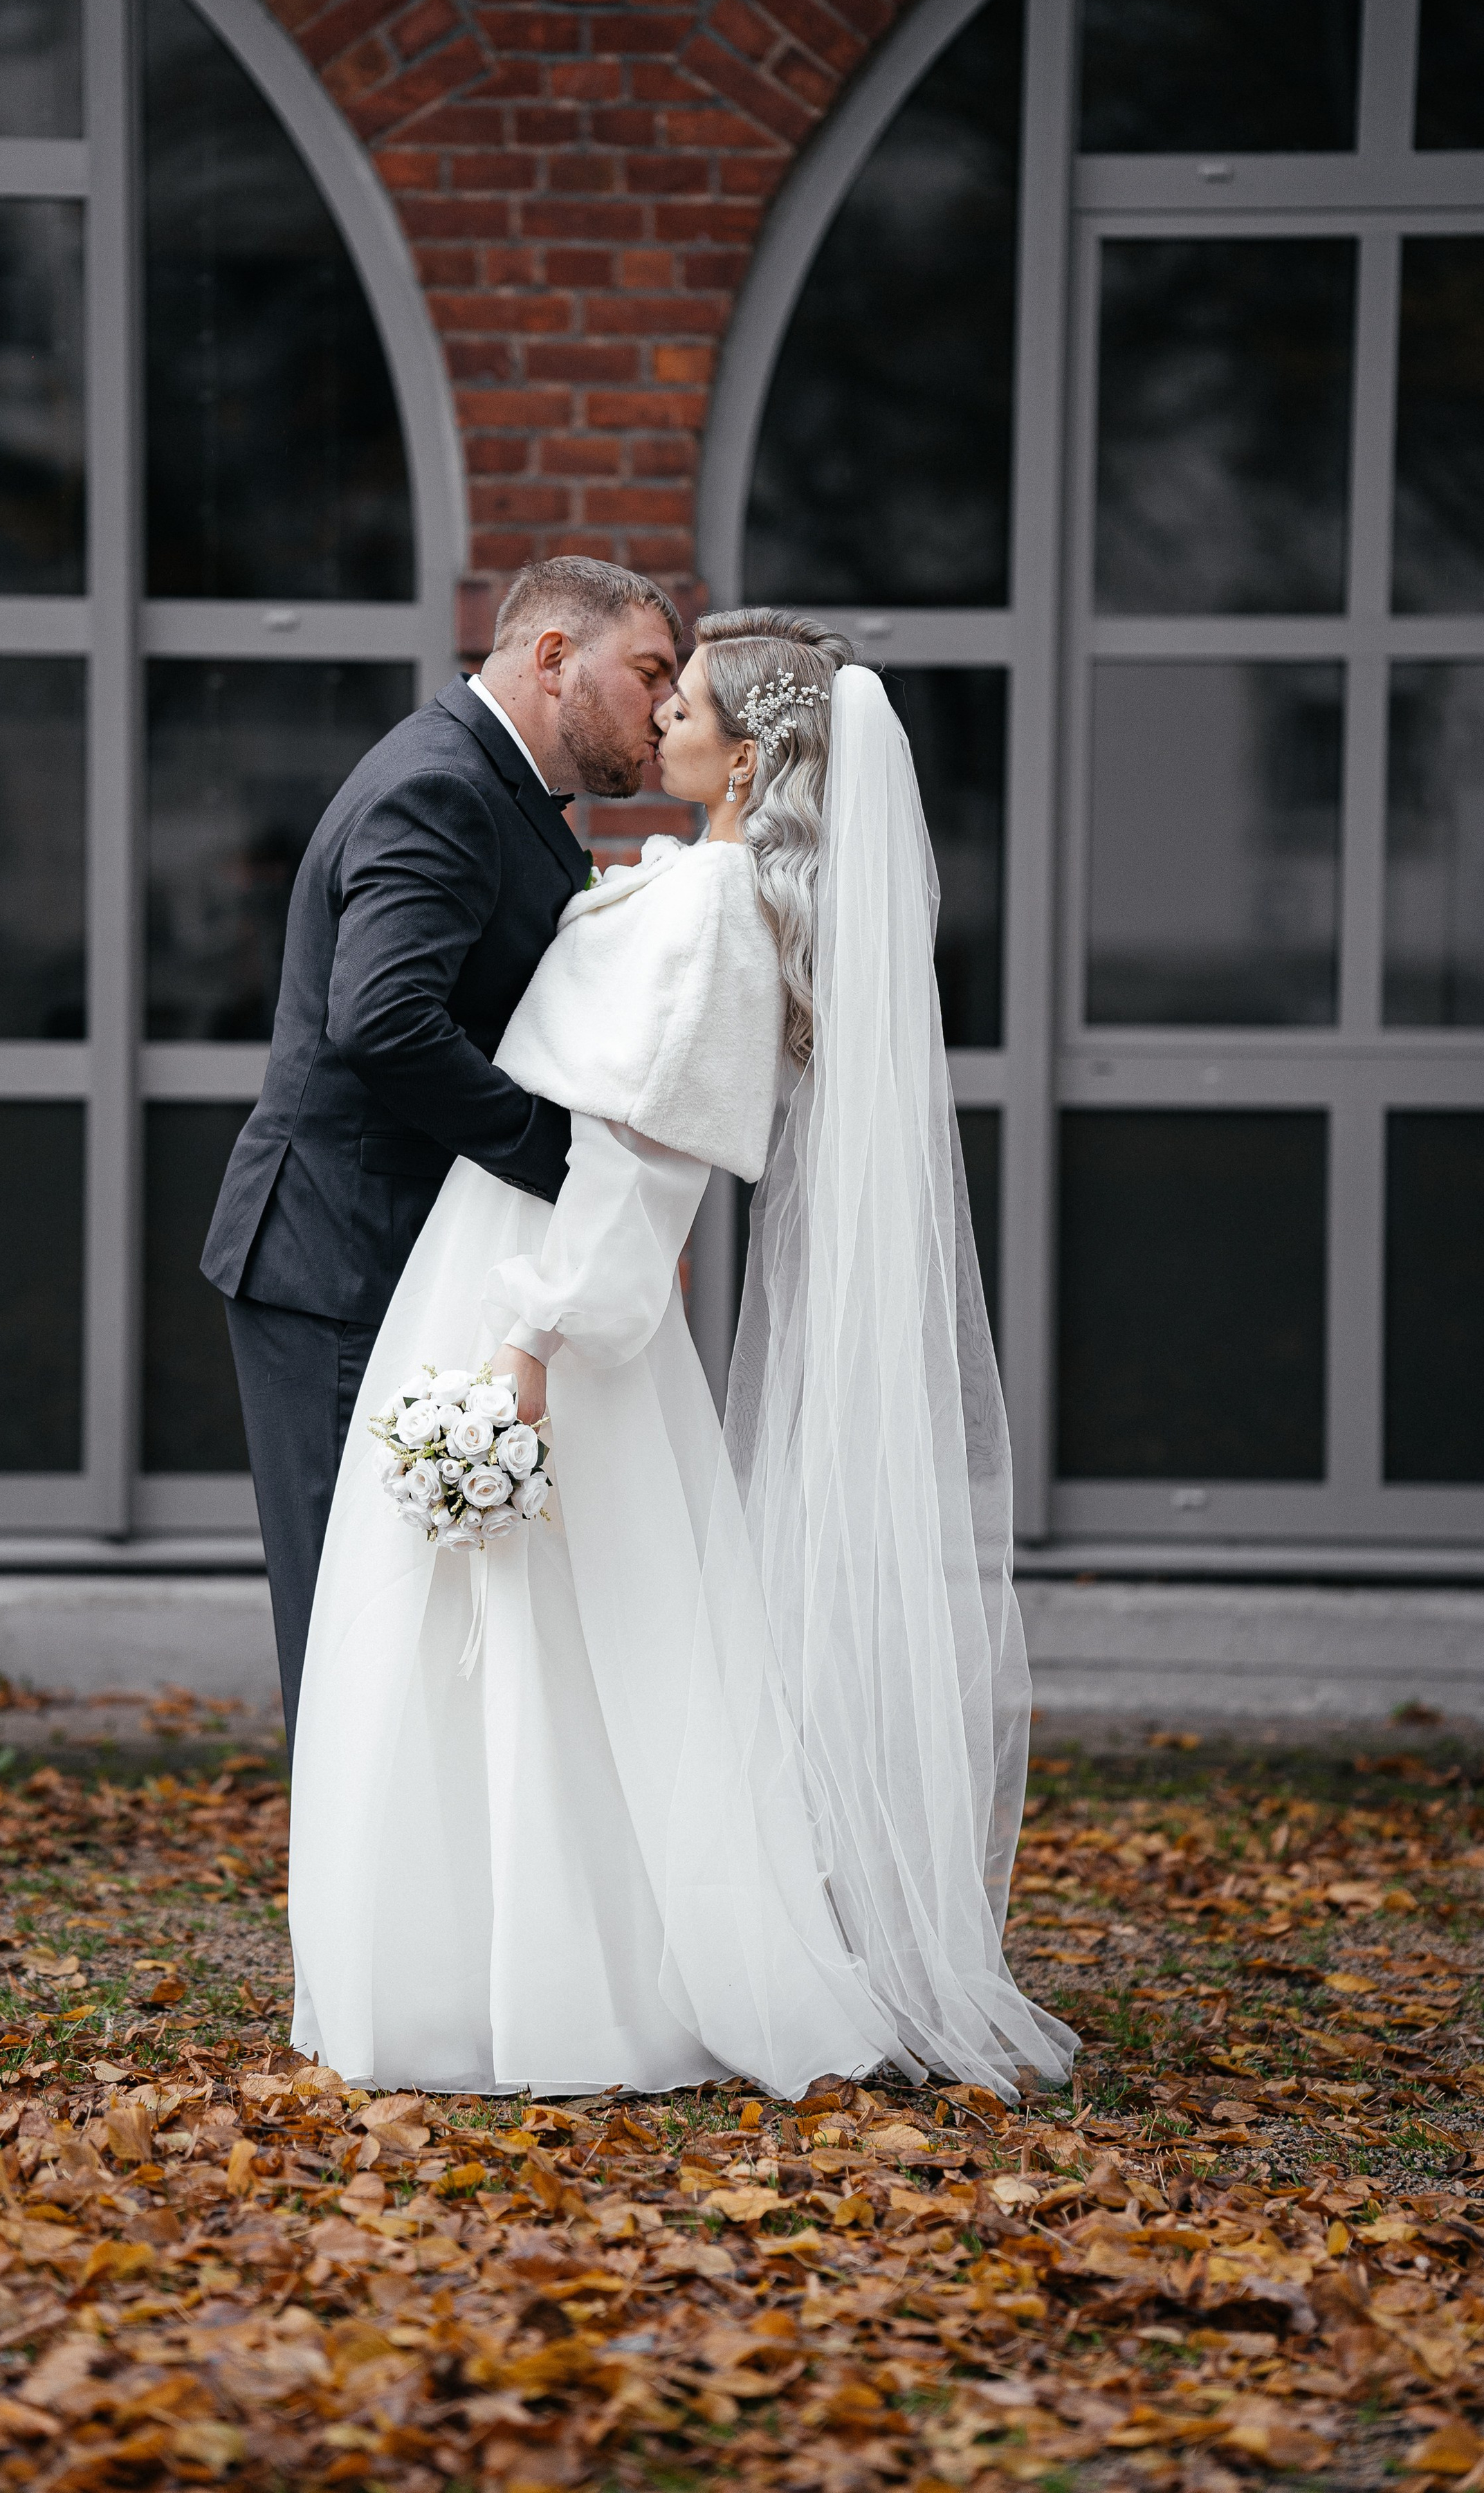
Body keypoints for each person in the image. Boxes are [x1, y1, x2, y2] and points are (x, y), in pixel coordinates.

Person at [285, 608, 1077, 2103]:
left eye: (685, 703)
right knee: (499, 1638)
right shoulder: (692, 886)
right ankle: (466, 1965)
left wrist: (530, 1340)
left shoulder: (715, 911)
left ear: (748, 753)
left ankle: (554, 1987)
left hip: (540, 1292)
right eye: (657, 692)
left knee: (540, 1639)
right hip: (497, 1254)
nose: (656, 725)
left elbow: (640, 1155)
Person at [201, 558, 681, 1757]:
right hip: (335, 1259)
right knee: (353, 1626)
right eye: (651, 672)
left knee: (407, 1621)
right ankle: (354, 1939)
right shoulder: (445, 788)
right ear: (555, 657)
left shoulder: (492, 787)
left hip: (390, 1254)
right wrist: (562, 1162)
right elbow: (384, 1022)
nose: (668, 708)